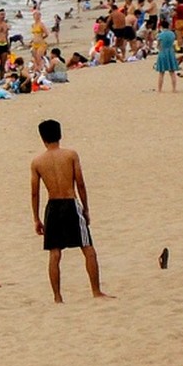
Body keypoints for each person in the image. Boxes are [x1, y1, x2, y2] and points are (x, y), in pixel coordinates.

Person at [30, 120, 111, 303]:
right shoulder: (70, 155)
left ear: (42, 137)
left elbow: (34, 193)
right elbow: (80, 183)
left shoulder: (37, 162)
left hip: (52, 207)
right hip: (70, 203)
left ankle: (58, 297)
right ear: (60, 134)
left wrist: (36, 218)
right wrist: (86, 208)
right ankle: (96, 291)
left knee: (55, 253)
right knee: (87, 248)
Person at [154, 20, 180, 93]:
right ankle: (174, 89)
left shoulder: (160, 35)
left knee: (161, 72)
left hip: (163, 52)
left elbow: (158, 45)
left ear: (161, 26)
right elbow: (174, 43)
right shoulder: (172, 34)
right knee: (172, 72)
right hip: (170, 52)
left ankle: (160, 89)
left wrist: (159, 48)